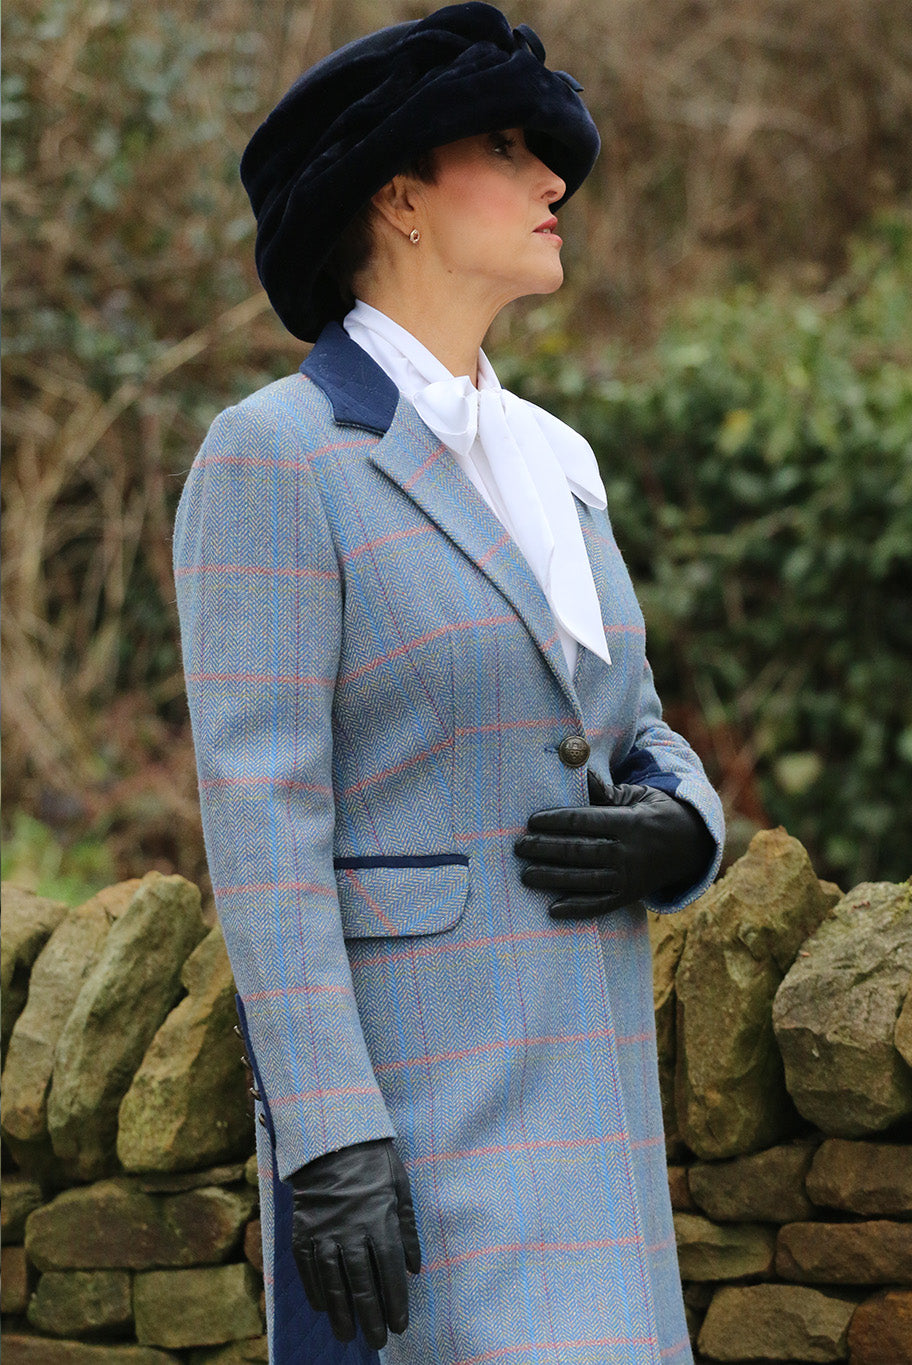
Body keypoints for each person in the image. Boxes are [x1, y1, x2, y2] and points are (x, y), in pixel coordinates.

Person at [173, 5, 724, 1363]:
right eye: (507, 146)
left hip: (595, 1120)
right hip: (423, 1133)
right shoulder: (278, 456)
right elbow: (263, 827)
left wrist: (684, 827)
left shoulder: (556, 457)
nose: (553, 181)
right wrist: (330, 1132)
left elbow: (636, 730)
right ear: (399, 195)